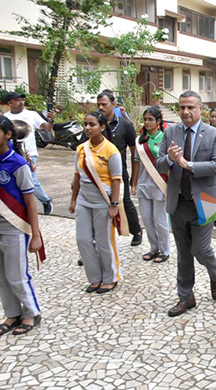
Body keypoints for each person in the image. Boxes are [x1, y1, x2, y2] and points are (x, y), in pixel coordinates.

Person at [155, 91, 216, 317]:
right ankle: (186, 297)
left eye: (190, 108)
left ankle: (215, 273)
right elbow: (159, 165)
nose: (185, 112)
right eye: (182, 107)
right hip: (179, 201)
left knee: (201, 249)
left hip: (207, 200)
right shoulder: (170, 132)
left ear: (201, 109)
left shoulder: (214, 134)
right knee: (184, 253)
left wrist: (188, 165)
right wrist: (169, 159)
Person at [70, 111, 123, 294]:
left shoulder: (111, 150)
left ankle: (110, 277)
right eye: (85, 124)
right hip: (84, 199)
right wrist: (73, 199)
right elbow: (77, 176)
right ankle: (94, 277)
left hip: (103, 199)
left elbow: (116, 179)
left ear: (102, 127)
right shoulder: (81, 149)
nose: (87, 128)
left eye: (92, 124)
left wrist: (114, 205)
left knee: (103, 241)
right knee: (83, 239)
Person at [0, 116, 43, 336]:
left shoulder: (18, 164)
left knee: (17, 274)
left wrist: (35, 235)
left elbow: (29, 201)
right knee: (2, 276)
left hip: (14, 227)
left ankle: (31, 312)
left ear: (8, 135)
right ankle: (12, 313)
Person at [96, 90, 142, 246]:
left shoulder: (125, 125)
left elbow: (135, 153)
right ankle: (95, 241)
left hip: (119, 174)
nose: (101, 107)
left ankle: (136, 231)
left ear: (114, 104)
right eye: (99, 105)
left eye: (104, 104)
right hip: (97, 175)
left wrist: (134, 180)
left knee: (125, 202)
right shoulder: (94, 124)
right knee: (98, 207)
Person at [3, 92, 54, 215]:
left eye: (22, 100)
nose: (21, 102)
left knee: (31, 180)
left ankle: (45, 200)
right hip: (10, 152)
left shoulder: (31, 114)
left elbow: (47, 127)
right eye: (17, 100)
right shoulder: (5, 117)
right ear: (10, 103)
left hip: (29, 153)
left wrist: (51, 120)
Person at [130, 108, 170, 264]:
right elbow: (137, 164)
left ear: (158, 121)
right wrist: (133, 184)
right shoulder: (140, 141)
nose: (147, 122)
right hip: (144, 184)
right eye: (145, 119)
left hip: (160, 184)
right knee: (147, 219)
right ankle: (153, 248)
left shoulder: (165, 138)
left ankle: (164, 250)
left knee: (160, 220)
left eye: (150, 119)